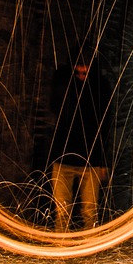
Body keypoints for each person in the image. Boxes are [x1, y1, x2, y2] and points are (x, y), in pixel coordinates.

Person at [46, 59, 110, 230]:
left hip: (91, 162)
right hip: (62, 159)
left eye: (85, 73)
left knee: (90, 212)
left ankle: (89, 252)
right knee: (61, 212)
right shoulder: (64, 87)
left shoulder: (101, 90)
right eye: (78, 73)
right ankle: (61, 250)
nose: (81, 77)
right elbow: (55, 107)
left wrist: (104, 162)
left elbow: (106, 126)